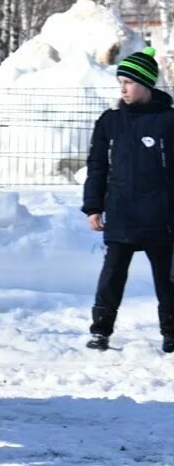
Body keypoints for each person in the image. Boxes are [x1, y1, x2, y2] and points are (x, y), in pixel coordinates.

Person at [82, 47, 174, 353]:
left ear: (147, 85)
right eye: (120, 81)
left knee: (168, 280)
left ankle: (171, 332)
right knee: (111, 277)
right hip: (121, 214)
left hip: (161, 218)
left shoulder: (168, 121)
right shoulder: (110, 121)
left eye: (129, 82)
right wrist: (94, 206)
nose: (123, 87)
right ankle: (100, 331)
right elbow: (97, 166)